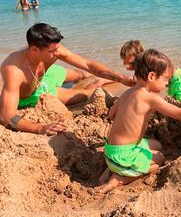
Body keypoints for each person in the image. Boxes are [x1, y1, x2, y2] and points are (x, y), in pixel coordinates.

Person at [98, 48, 181, 193]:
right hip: (124, 156)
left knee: (156, 145)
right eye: (166, 80)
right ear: (151, 76)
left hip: (111, 150)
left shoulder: (128, 92)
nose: (166, 85)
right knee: (159, 158)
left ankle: (113, 167)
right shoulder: (149, 98)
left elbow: (111, 114)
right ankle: (119, 178)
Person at [0, 23, 136, 136]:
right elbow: (7, 116)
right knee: (87, 94)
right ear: (34, 49)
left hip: (46, 73)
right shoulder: (15, 71)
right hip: (34, 93)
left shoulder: (53, 49)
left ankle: (99, 79)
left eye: (58, 48)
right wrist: (41, 128)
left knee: (81, 74)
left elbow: (88, 65)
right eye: (52, 51)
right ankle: (98, 83)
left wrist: (120, 77)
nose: (57, 53)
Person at [120, 39, 181, 108]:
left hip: (177, 78)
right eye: (125, 63)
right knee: (179, 102)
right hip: (174, 79)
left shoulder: (148, 64)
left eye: (131, 63)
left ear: (139, 58)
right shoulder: (144, 65)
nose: (127, 67)